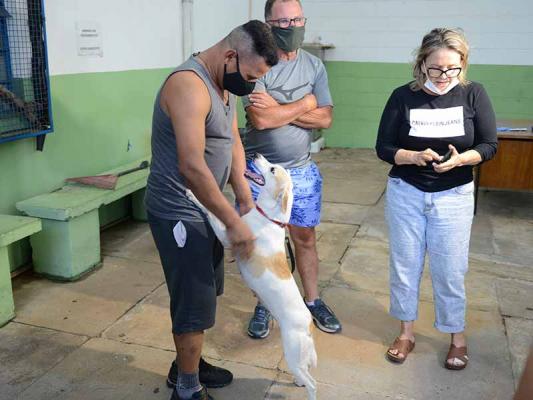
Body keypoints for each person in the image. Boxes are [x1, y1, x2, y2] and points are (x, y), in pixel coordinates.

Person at [144, 21, 278, 400]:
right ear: (231, 55)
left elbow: (232, 137)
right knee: (192, 300)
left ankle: (187, 362)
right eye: (250, 76)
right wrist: (234, 222)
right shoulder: (188, 84)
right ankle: (186, 389)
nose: (250, 86)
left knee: (206, 293)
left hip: (205, 207)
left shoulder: (226, 83)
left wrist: (243, 194)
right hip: (178, 210)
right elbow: (191, 165)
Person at [376, 28, 497, 370]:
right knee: (405, 266)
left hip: (454, 195)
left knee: (450, 270)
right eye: (436, 69)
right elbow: (383, 147)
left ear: (463, 64)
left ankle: (457, 339)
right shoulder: (403, 97)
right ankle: (406, 333)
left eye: (452, 69)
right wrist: (411, 157)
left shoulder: (473, 94)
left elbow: (489, 145)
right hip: (407, 193)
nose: (444, 77)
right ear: (421, 64)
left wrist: (462, 159)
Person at [242, 0, 341, 338]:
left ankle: (312, 300)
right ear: (268, 24)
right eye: (282, 21)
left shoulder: (314, 66)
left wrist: (282, 107)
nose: (291, 26)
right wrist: (306, 103)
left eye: (296, 19)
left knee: (305, 238)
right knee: (262, 244)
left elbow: (325, 118)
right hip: (258, 172)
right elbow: (261, 118)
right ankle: (264, 305)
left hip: (301, 171)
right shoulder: (257, 63)